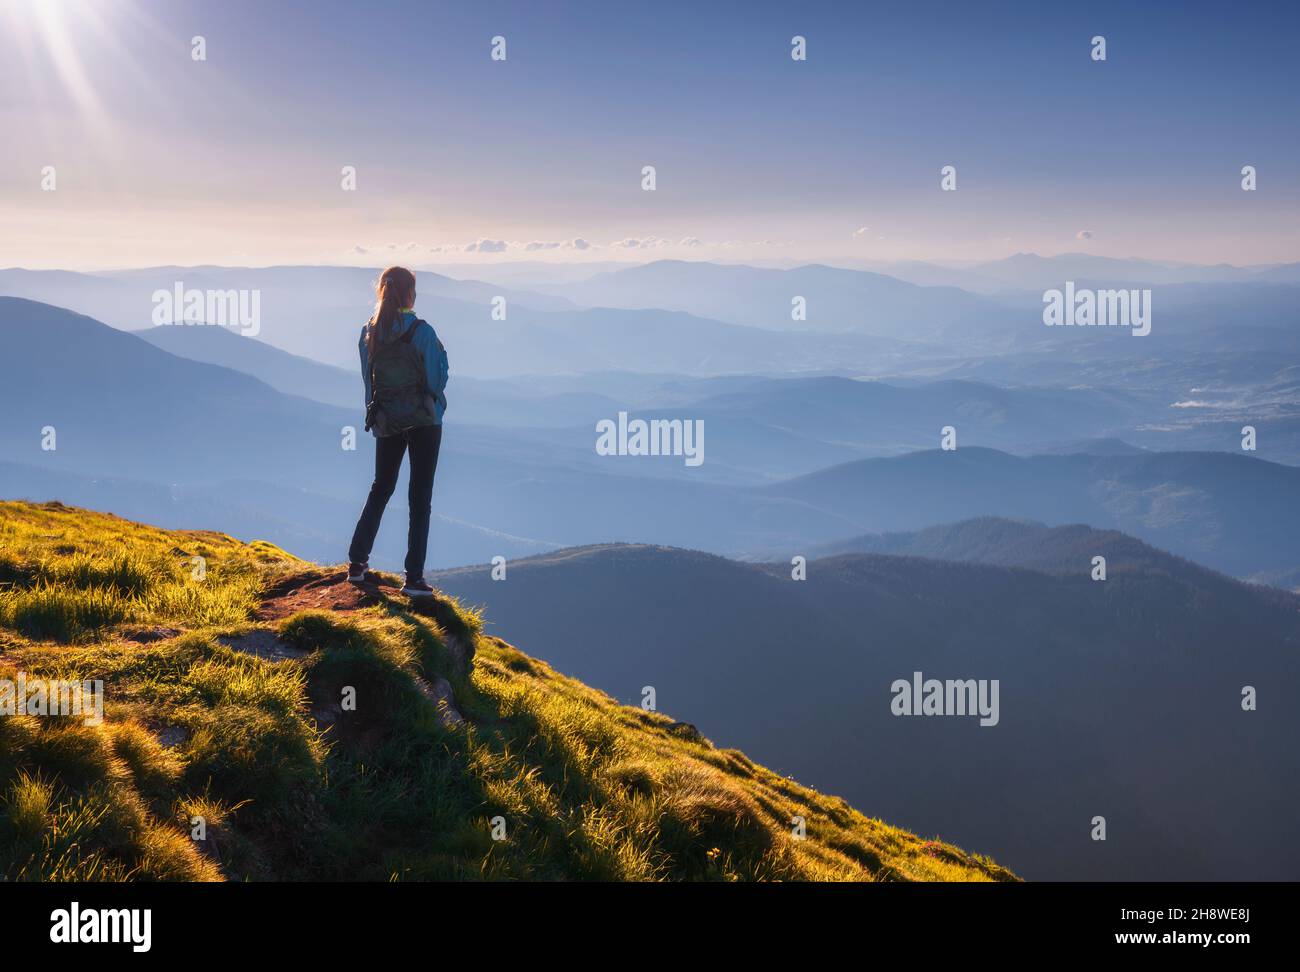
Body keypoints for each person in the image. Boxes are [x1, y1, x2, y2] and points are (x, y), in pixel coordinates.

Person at [346, 266, 448, 597]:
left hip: (387, 420)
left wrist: (375, 415)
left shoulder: (369, 332)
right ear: (409, 294)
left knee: (381, 488)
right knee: (420, 498)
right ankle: (413, 578)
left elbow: (368, 379)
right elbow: (436, 380)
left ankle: (357, 564)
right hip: (424, 421)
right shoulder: (423, 332)